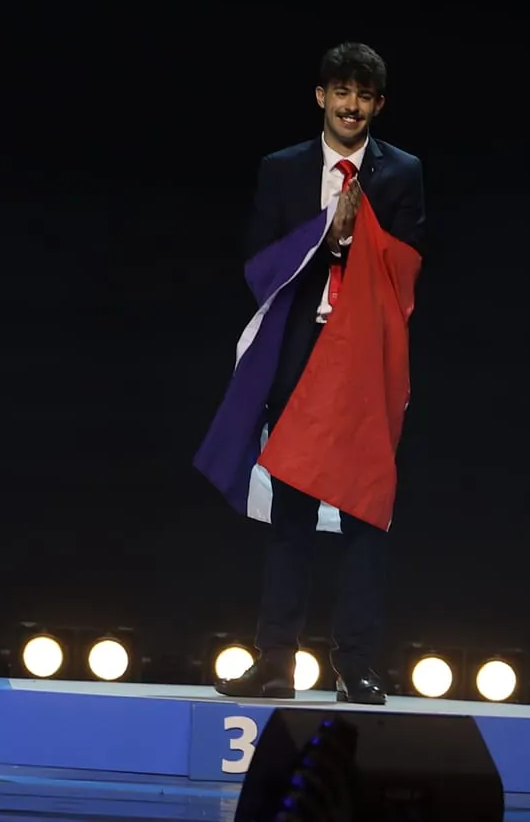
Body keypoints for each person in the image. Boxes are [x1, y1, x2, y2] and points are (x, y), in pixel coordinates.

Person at [213, 41, 424, 705]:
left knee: (365, 512)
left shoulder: (402, 172)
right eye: (340, 91)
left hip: (364, 362)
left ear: (378, 104)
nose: (350, 105)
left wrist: (359, 241)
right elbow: (258, 260)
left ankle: (356, 664)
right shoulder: (282, 169)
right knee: (292, 513)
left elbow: (409, 265)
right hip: (299, 357)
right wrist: (323, 239)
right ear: (321, 96)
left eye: (363, 95)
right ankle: (276, 661)